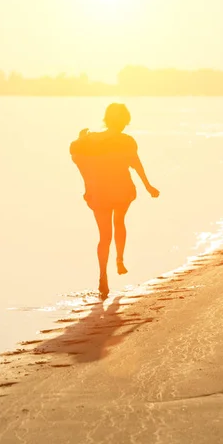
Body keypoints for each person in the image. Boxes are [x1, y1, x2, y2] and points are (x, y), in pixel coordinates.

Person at [70, 103, 159, 299]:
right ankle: (119, 259)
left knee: (104, 236)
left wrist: (80, 138)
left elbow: (77, 157)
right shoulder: (127, 141)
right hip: (122, 190)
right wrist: (148, 186)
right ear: (126, 121)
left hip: (99, 192)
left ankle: (103, 276)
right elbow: (136, 164)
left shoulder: (90, 139)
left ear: (106, 119)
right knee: (119, 222)